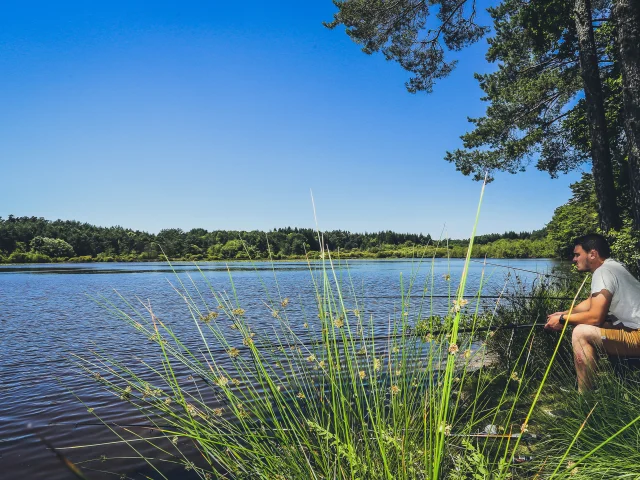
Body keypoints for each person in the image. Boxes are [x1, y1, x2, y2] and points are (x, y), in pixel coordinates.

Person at [544, 233, 640, 391]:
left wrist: (562, 320)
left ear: (593, 254)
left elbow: (595, 317)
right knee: (606, 324)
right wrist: (564, 314)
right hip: (634, 331)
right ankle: (616, 386)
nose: (574, 259)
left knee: (581, 332)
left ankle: (585, 399)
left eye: (577, 255)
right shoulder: (615, 266)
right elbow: (590, 303)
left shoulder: (602, 272)